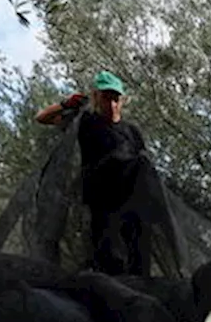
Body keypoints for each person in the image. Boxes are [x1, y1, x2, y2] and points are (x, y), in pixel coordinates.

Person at [35, 70, 151, 277]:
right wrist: (66, 104)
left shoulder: (132, 132)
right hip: (102, 205)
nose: (112, 104)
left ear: (122, 100)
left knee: (138, 262)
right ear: (97, 97)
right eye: (107, 98)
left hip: (133, 206)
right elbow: (42, 118)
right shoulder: (87, 122)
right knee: (109, 259)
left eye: (116, 99)